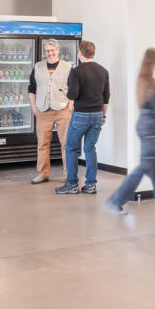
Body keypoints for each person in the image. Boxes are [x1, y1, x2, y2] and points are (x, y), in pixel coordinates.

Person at [104, 48, 155, 216]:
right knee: (144, 167)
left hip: (147, 126)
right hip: (148, 126)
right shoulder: (146, 80)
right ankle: (115, 201)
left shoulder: (146, 79)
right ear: (152, 62)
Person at [56, 40, 109, 195]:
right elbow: (106, 97)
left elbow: (73, 95)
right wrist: (103, 115)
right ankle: (91, 185)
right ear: (93, 53)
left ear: (80, 54)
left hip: (81, 115)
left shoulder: (77, 71)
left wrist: (66, 92)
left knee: (71, 147)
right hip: (98, 114)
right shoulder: (103, 71)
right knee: (90, 148)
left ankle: (72, 184)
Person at [28, 39, 73, 184]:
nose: (50, 53)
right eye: (47, 50)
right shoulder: (38, 66)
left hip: (62, 109)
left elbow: (74, 89)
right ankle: (43, 173)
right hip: (43, 109)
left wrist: (71, 105)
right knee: (42, 143)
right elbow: (31, 89)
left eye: (52, 50)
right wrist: (34, 108)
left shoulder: (67, 67)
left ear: (58, 51)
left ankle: (68, 175)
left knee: (66, 143)